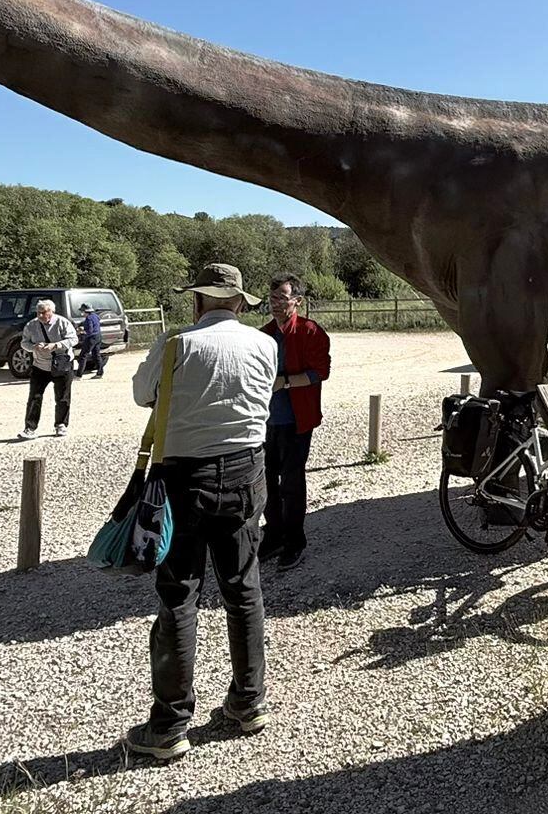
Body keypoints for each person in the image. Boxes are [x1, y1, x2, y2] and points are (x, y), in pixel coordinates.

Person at [121, 263, 278, 761]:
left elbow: (142, 395)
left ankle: (170, 723)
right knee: (244, 589)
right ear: (240, 302)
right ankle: (248, 702)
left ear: (197, 301)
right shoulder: (265, 345)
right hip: (247, 472)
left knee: (179, 596)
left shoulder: (175, 344)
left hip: (184, 477)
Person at [259, 271, 330, 570]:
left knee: (291, 482)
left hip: (296, 421)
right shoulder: (261, 335)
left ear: (297, 301)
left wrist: (284, 382)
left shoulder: (312, 332)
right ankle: (274, 534)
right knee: (265, 483)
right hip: (264, 422)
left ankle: (294, 540)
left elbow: (320, 372)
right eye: (273, 298)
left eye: (283, 299)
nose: (276, 304)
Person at [19, 299, 78, 439]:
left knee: (63, 397)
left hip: (62, 365)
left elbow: (73, 339)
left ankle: (61, 425)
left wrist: (56, 345)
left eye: (43, 312)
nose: (40, 315)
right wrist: (33, 347)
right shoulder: (31, 325)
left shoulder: (63, 323)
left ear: (51, 312)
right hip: (40, 366)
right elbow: (24, 343)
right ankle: (30, 428)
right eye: (38, 312)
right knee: (34, 397)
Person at [76, 303, 106, 378]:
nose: (82, 313)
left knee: (83, 356)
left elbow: (90, 330)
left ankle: (79, 375)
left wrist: (81, 332)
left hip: (91, 338)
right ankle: (100, 373)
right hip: (98, 336)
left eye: (82, 311)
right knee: (96, 355)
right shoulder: (96, 316)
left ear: (86, 311)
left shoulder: (88, 318)